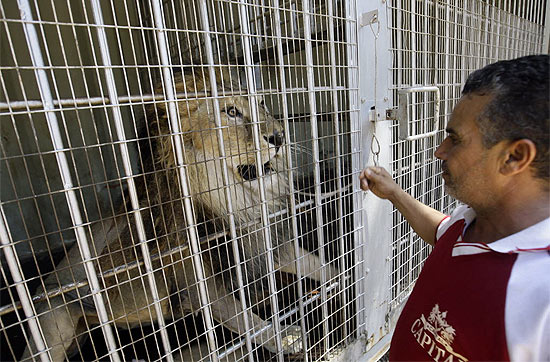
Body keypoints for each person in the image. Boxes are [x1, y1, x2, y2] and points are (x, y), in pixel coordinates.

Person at [359, 54, 549, 361]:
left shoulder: (540, 300)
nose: (439, 151)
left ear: (514, 157)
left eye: (455, 139)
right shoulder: (478, 218)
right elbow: (442, 231)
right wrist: (395, 194)